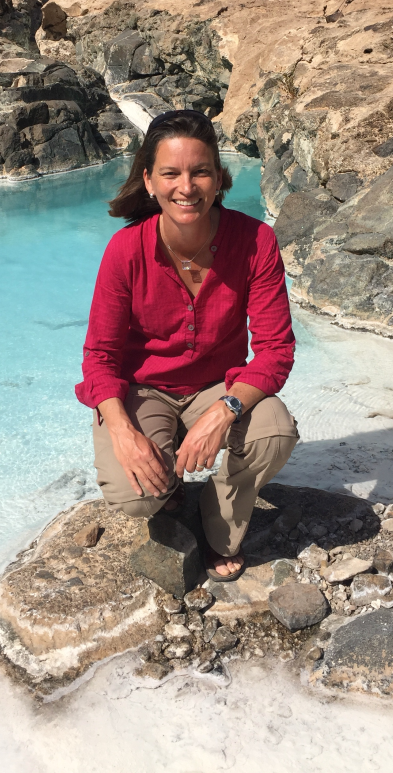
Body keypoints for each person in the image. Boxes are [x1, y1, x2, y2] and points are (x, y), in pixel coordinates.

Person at [75, 109, 298, 581]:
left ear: (219, 178)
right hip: (145, 391)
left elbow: (276, 349)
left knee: (273, 431)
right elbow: (100, 357)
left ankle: (220, 523)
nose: (186, 186)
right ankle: (169, 484)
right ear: (149, 182)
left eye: (200, 172)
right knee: (134, 495)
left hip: (217, 386)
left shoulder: (255, 241)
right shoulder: (125, 250)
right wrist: (122, 432)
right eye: (171, 173)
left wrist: (225, 411)